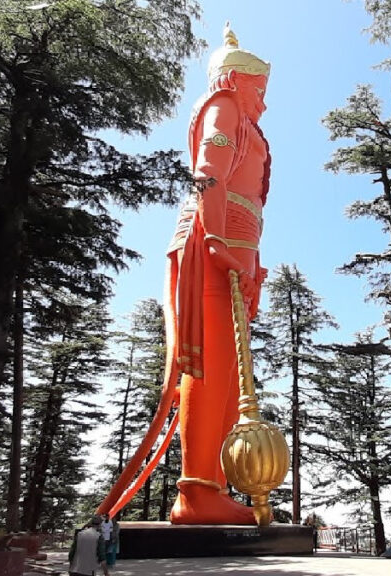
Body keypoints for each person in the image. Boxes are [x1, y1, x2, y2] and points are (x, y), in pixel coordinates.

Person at [96, 22, 272, 526]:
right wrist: (216, 238)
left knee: (231, 372)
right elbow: (208, 170)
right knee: (211, 364)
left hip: (237, 252)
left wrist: (249, 260)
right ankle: (196, 490)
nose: (263, 102)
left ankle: (211, 484)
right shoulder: (225, 107)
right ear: (235, 81)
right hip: (210, 246)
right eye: (259, 90)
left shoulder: (245, 116)